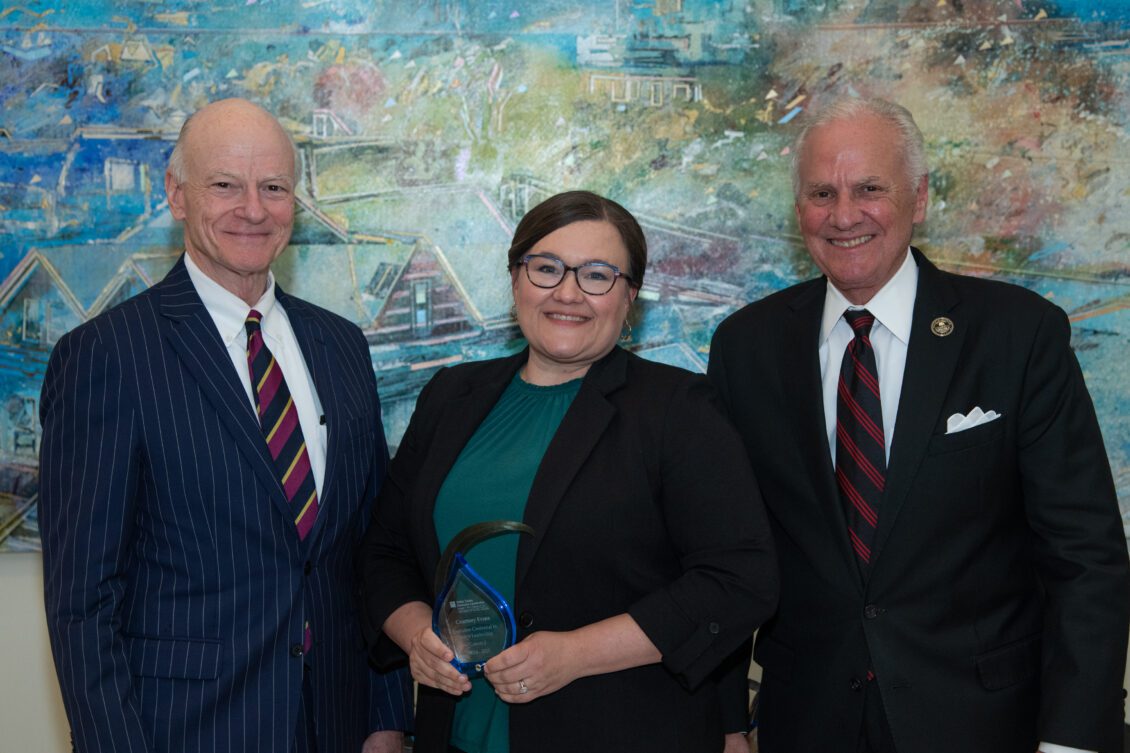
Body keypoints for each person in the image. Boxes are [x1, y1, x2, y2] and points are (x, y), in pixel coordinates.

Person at [708, 96, 1130, 753]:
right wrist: (727, 720)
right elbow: (726, 557)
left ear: (921, 197)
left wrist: (1072, 740)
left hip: (987, 724)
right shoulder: (745, 348)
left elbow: (1086, 558)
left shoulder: (1018, 335)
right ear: (799, 211)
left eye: (870, 188)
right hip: (805, 723)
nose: (844, 214)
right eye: (822, 192)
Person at [39, 98, 412, 753]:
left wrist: (386, 716)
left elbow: (366, 548)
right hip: (184, 730)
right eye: (225, 185)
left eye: (273, 187)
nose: (253, 209)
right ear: (177, 196)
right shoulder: (106, 356)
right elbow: (82, 602)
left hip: (338, 723)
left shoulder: (341, 345)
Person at [358, 190, 778, 753]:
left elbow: (739, 580)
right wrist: (417, 637)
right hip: (453, 736)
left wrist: (575, 655)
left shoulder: (677, 411)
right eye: (546, 268)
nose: (567, 293)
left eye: (597, 275)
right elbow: (384, 552)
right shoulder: (451, 396)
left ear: (629, 297)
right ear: (515, 281)